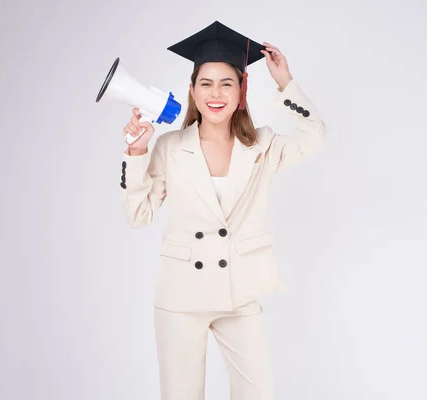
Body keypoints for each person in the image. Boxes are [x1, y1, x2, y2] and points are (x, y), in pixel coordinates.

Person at [119, 21, 326, 400]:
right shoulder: (168, 146)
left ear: (242, 91)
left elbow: (315, 137)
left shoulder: (263, 146)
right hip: (181, 297)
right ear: (193, 92)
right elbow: (139, 216)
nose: (216, 93)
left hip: (239, 294)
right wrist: (135, 153)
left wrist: (286, 83)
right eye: (206, 83)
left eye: (226, 83)